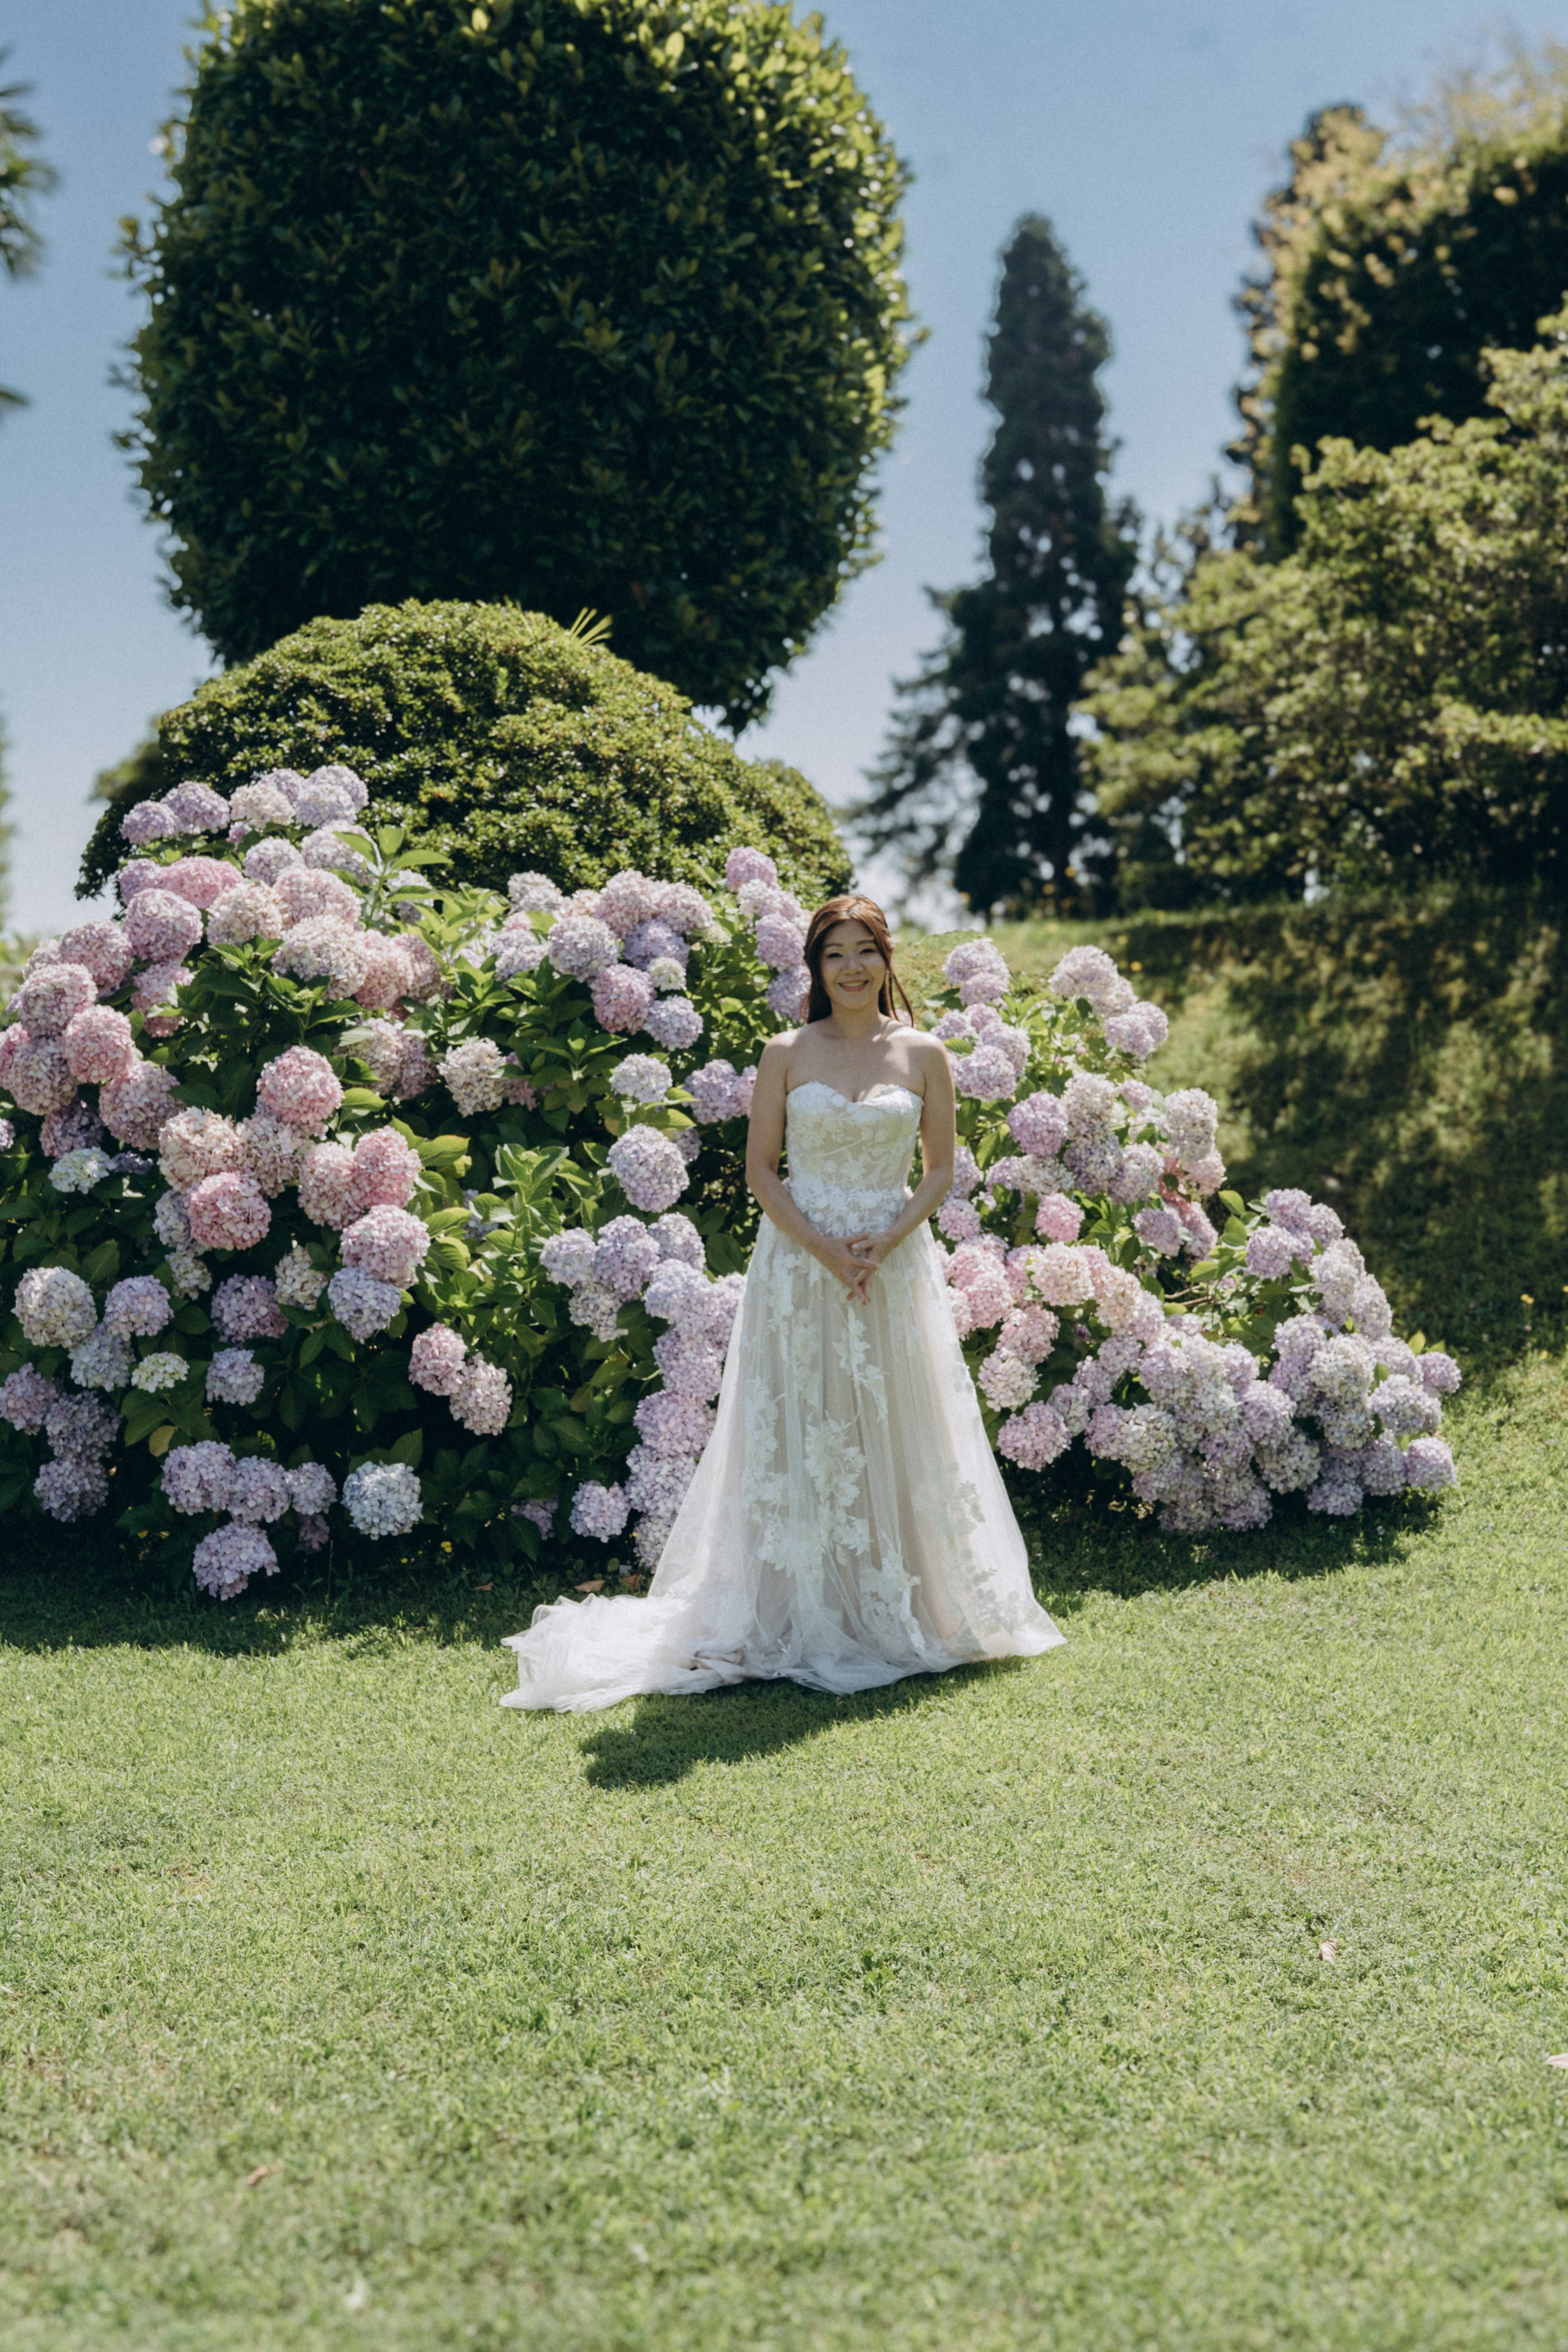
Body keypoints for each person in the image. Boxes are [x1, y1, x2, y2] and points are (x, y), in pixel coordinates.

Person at [500, 894, 1064, 1712]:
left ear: (886, 959)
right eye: (834, 953)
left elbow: (940, 1168)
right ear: (815, 966)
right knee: (805, 1420)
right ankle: (793, 1604)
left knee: (894, 1423)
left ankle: (908, 1602)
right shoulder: (785, 1052)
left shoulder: (925, 1053)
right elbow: (762, 1168)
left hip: (892, 1261)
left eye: (864, 950)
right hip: (799, 1266)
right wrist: (822, 1249)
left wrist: (889, 1240)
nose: (851, 967)